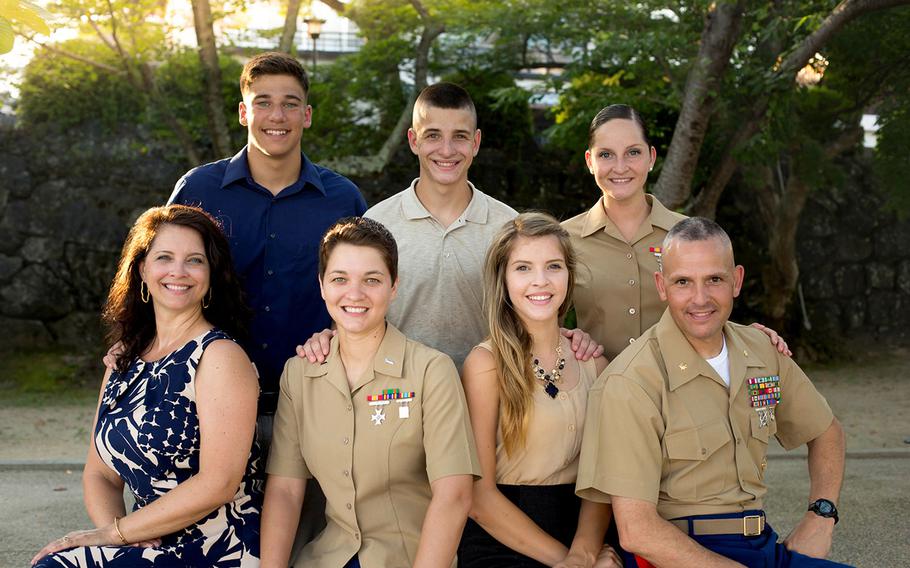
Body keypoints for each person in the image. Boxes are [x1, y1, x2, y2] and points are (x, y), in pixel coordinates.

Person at [576, 217, 848, 568]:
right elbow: (637, 530)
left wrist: (821, 516)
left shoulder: (761, 351)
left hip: (763, 546)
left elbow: (827, 432)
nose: (700, 299)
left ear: (736, 280)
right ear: (662, 286)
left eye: (714, 280)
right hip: (679, 553)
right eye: (683, 282)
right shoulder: (632, 381)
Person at [300, 82, 601, 370]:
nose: (446, 150)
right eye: (432, 135)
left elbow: (537, 314)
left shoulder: (509, 227)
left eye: (459, 136)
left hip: (495, 397)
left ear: (476, 142)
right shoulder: (377, 225)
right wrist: (328, 338)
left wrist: (570, 339)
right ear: (413, 141)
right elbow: (354, 308)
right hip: (399, 401)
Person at [32, 205, 262, 567]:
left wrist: (114, 536)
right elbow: (100, 475)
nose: (178, 272)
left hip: (216, 547)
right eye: (164, 257)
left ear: (211, 274)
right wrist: (121, 538)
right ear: (142, 269)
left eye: (195, 261)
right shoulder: (122, 362)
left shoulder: (219, 357)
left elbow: (220, 482)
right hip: (145, 543)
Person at [261, 217, 480, 568]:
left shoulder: (430, 372)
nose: (355, 294)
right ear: (321, 285)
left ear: (394, 287)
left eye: (372, 280)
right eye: (339, 279)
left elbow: (454, 495)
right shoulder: (299, 375)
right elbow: (286, 491)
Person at [168, 51, 367, 426]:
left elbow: (368, 291)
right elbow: (162, 276)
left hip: (316, 404)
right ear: (244, 113)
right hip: (205, 404)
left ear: (306, 116)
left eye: (290, 104)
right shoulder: (198, 190)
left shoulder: (343, 199)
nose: (277, 116)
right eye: (264, 103)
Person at [562, 104, 788, 361]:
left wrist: (750, 339)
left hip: (681, 393)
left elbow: (710, 309)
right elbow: (538, 323)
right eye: (606, 155)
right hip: (599, 392)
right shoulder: (563, 240)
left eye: (633, 152)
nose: (620, 166)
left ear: (652, 157)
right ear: (590, 161)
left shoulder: (691, 237)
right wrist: (567, 336)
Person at [459, 212, 621, 568]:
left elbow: (602, 478)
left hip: (586, 533)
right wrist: (569, 561)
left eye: (553, 266)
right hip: (503, 539)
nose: (540, 281)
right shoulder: (486, 365)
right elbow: (478, 496)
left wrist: (585, 551)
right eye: (523, 268)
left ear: (569, 275)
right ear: (502, 278)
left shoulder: (595, 364)